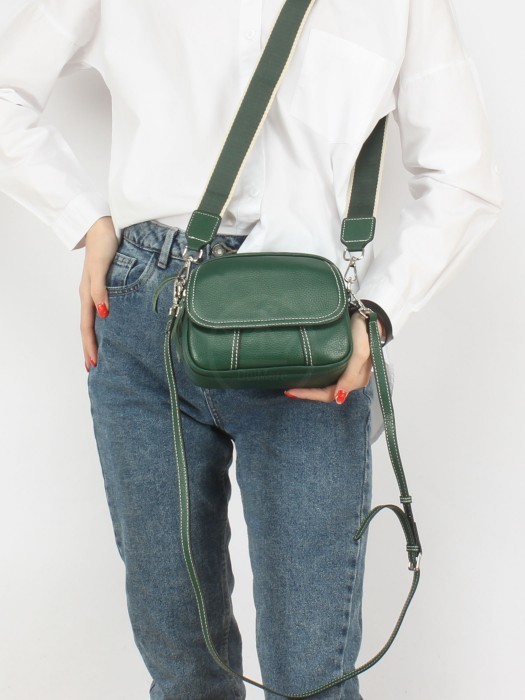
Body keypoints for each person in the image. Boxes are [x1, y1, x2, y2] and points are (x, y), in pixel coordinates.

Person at [0, 1, 502, 699]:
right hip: (147, 312)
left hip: (309, 336)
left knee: (311, 681)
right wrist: (82, 219)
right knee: (184, 673)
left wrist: (379, 314)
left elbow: (462, 175)